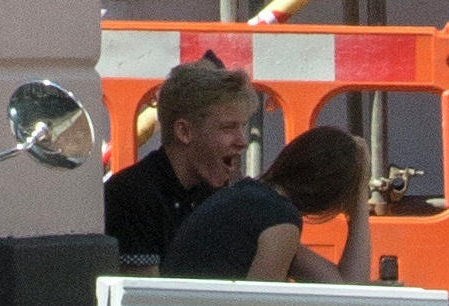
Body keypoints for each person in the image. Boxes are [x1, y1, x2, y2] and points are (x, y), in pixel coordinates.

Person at [162, 104, 382, 283]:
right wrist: (358, 197)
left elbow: (344, 286)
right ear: (326, 194)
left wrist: (358, 196)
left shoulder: (254, 199)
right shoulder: (279, 220)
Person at [103, 55, 267, 263]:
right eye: (227, 128)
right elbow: (145, 292)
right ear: (184, 131)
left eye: (242, 127)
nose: (242, 141)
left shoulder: (216, 194)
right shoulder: (133, 195)